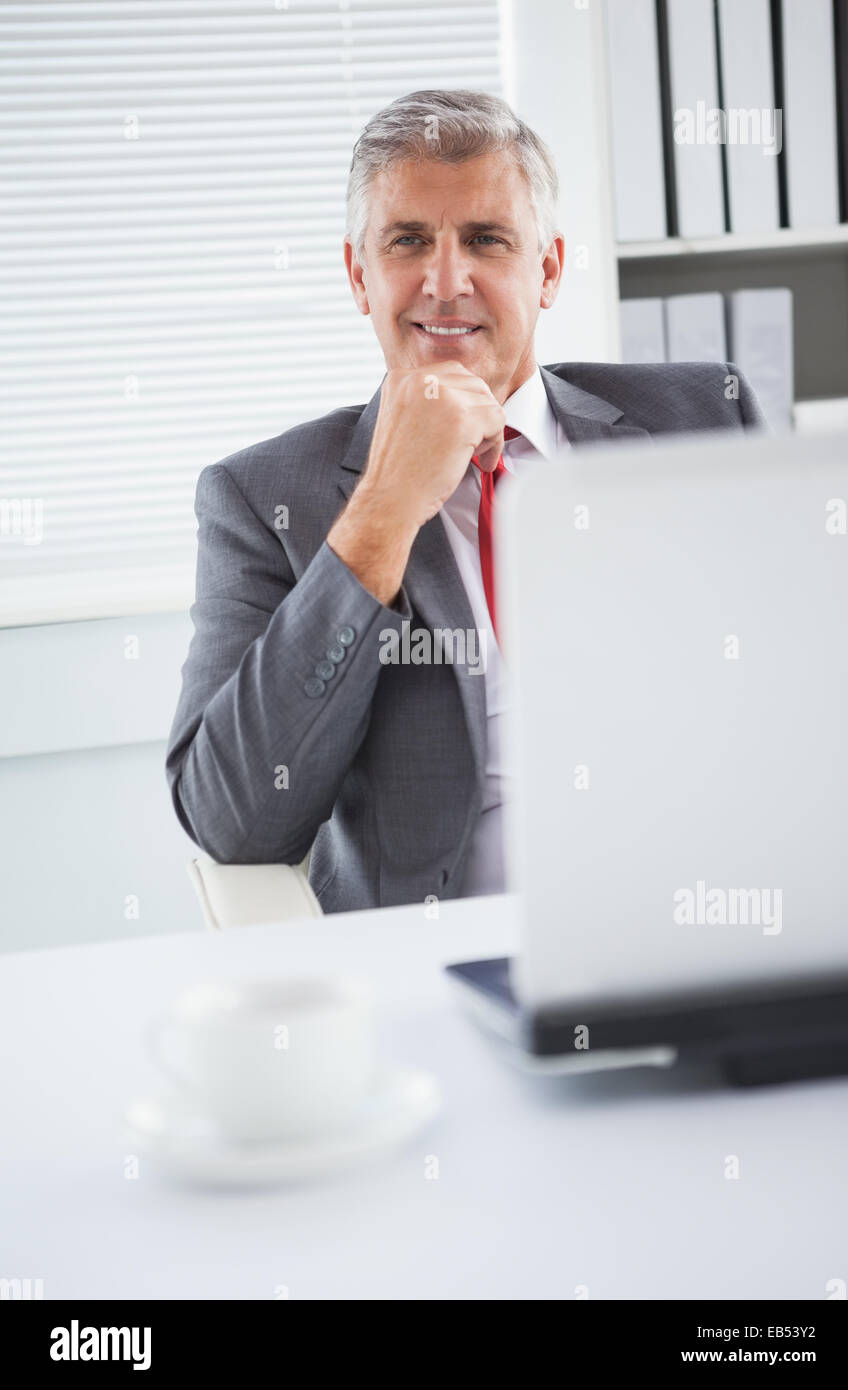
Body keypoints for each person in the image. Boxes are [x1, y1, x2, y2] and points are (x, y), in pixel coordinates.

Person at [165, 89, 766, 913]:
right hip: (446, 968)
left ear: (548, 269)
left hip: (700, 913)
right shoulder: (261, 499)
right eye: (408, 241)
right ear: (358, 274)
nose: (446, 283)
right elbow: (233, 823)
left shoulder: (704, 416)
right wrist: (383, 508)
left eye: (486, 239)